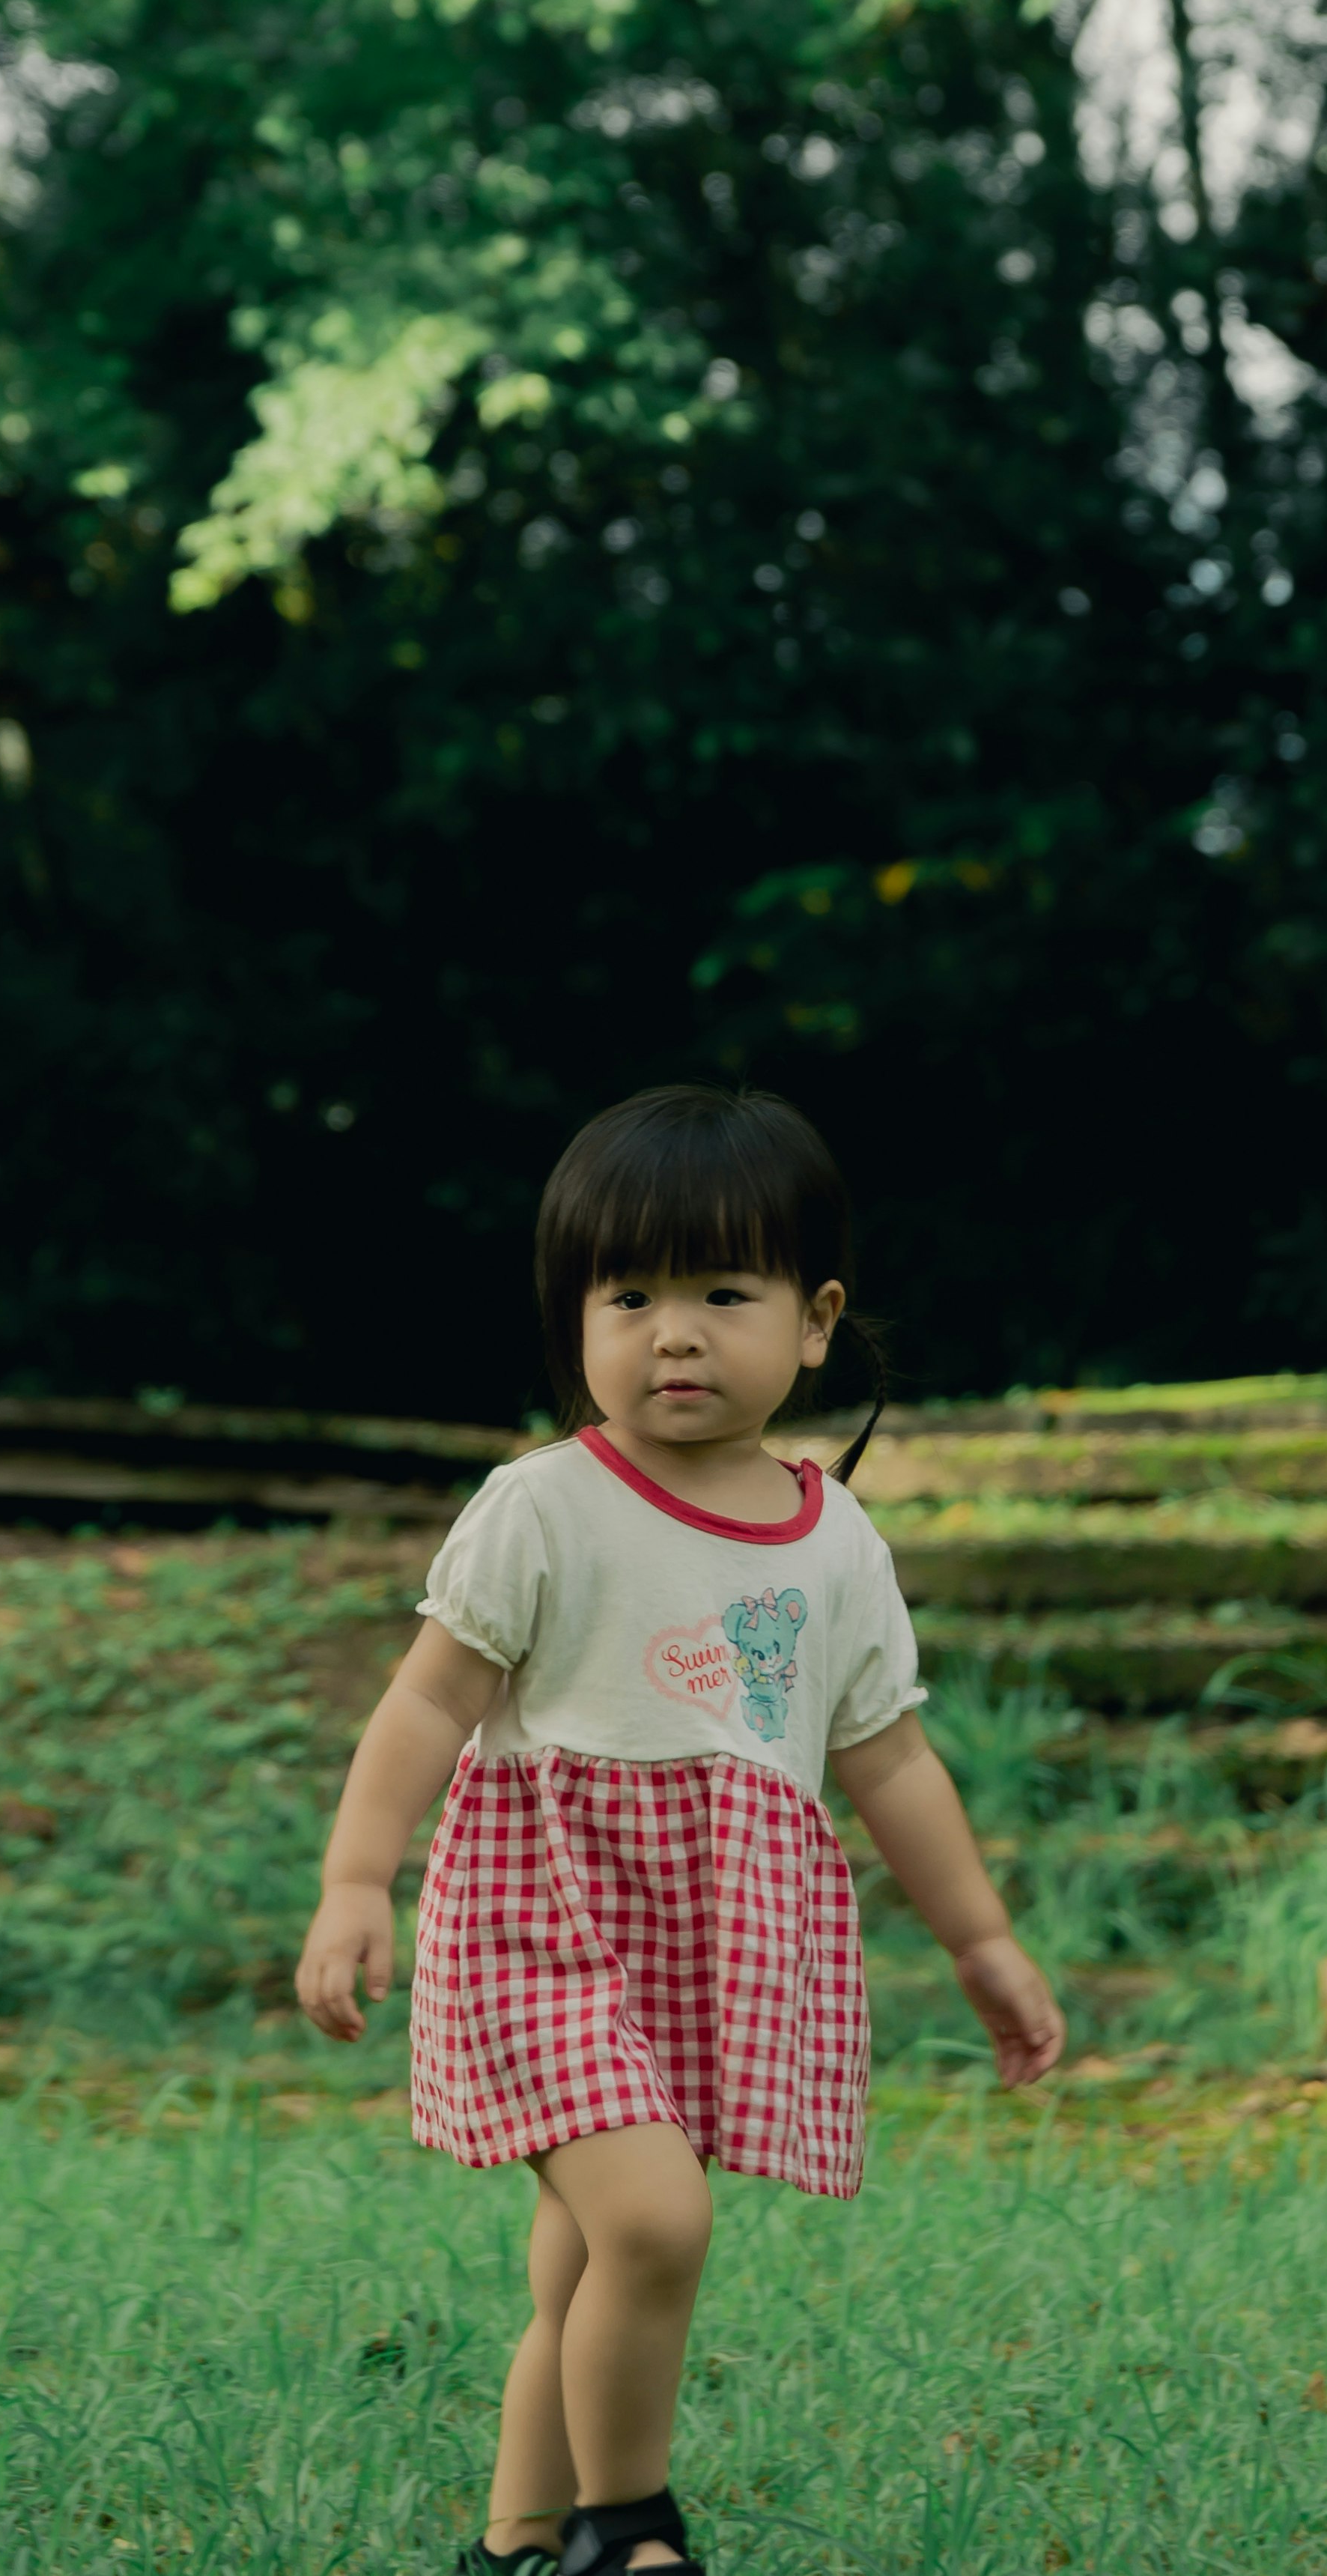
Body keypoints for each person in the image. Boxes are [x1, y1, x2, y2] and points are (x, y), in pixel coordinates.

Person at [294, 1082, 1065, 2576]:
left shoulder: (837, 1542)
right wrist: (353, 1879)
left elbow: (888, 1758)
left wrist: (981, 1937)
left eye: (724, 1290)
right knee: (654, 2222)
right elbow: (426, 1703)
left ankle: (517, 2545)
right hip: (544, 1927)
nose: (676, 1331)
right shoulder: (544, 1509)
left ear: (817, 1317)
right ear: (575, 1318)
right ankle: (627, 2528)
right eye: (629, 1293)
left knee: (584, 2265)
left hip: (703, 1948)